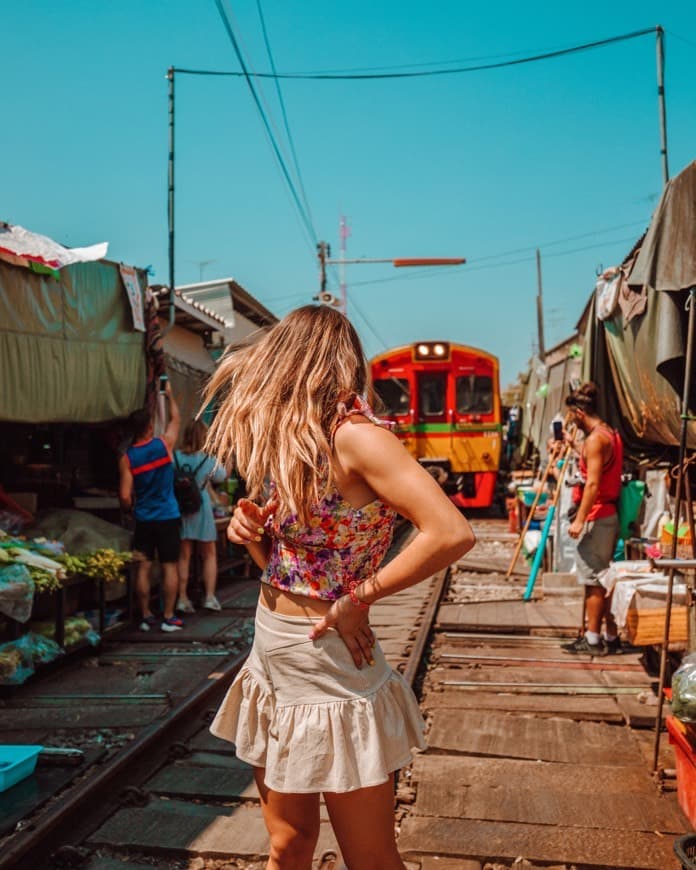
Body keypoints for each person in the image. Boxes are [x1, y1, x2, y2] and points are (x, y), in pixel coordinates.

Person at [203, 305, 475, 870]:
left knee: (370, 858)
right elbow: (292, 559)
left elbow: (451, 532)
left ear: (298, 362)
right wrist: (246, 530)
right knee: (287, 845)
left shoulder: (358, 438)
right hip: (273, 653)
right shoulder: (299, 439)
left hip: (329, 662)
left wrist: (359, 598)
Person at [560, 382, 624, 656]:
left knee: (594, 580)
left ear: (578, 412)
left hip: (598, 516)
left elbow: (593, 483)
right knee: (602, 576)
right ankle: (609, 635)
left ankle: (594, 639)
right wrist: (577, 448)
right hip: (608, 514)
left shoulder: (595, 440)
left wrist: (579, 519)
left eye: (571, 415)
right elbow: (599, 467)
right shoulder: (609, 433)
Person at [118, 382, 184, 632]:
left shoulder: (127, 458)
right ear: (149, 427)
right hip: (168, 516)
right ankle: (168, 616)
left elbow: (124, 496)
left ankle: (145, 615)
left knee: (143, 566)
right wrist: (169, 395)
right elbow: (176, 419)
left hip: (144, 518)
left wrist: (132, 507)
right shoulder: (163, 446)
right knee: (169, 565)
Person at [175, 419, 227, 613]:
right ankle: (210, 597)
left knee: (184, 554)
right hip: (202, 507)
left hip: (182, 508)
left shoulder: (176, 457)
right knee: (209, 554)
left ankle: (181, 598)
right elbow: (221, 476)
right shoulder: (208, 459)